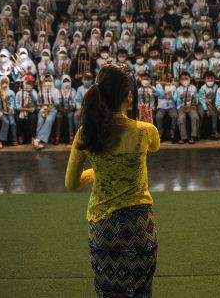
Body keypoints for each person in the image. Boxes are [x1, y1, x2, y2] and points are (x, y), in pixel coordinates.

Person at [65, 64, 160, 298]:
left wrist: (99, 172)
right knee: (140, 291)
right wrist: (147, 122)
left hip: (102, 225)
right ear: (129, 96)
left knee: (107, 291)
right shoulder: (145, 131)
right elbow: (155, 147)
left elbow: (71, 183)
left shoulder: (86, 132)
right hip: (138, 226)